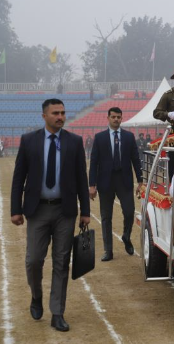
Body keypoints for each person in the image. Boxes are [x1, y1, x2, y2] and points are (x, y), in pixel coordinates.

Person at [11, 98, 90, 332]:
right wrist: (16, 209)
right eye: (55, 113)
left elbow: (81, 179)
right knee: (33, 260)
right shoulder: (29, 141)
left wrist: (85, 211)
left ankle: (57, 312)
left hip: (64, 210)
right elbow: (18, 178)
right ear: (44, 115)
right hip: (37, 210)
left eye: (63, 113)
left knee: (61, 262)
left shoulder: (74, 142)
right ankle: (36, 296)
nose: (60, 117)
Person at [89, 107, 143, 262]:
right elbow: (94, 162)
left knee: (129, 211)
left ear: (122, 118)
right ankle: (108, 250)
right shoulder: (99, 138)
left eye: (118, 117)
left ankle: (126, 236)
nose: (116, 119)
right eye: (113, 117)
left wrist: (140, 180)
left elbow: (135, 159)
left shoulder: (128, 137)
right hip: (105, 181)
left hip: (124, 180)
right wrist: (92, 185)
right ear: (108, 118)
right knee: (106, 217)